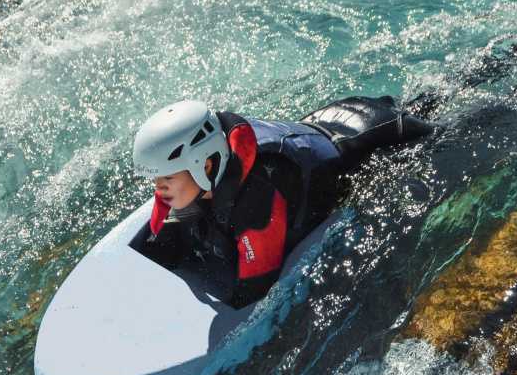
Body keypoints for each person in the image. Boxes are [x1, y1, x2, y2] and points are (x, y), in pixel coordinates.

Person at [130, 97, 434, 308]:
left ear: (205, 165)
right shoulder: (206, 173)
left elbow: (256, 288)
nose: (159, 189)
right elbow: (172, 227)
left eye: (166, 179)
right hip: (331, 119)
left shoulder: (256, 201)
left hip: (379, 134)